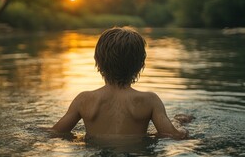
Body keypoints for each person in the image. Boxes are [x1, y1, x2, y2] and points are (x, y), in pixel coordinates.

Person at [52, 27, 193, 140]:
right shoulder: (150, 101)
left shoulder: (84, 100)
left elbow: (55, 132)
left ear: (98, 62)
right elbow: (172, 135)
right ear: (140, 65)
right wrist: (179, 124)